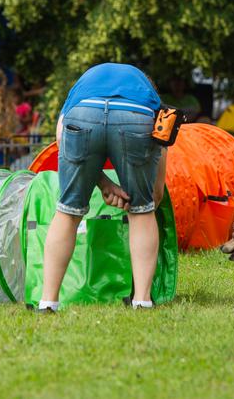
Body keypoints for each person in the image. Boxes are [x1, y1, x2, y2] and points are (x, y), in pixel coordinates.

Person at [38, 63, 168, 313]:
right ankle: (142, 301)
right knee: (142, 211)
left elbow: (60, 138)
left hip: (82, 113)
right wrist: (146, 200)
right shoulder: (149, 97)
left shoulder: (84, 85)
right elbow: (160, 157)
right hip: (136, 117)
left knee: (67, 211)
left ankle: (48, 302)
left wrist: (103, 184)